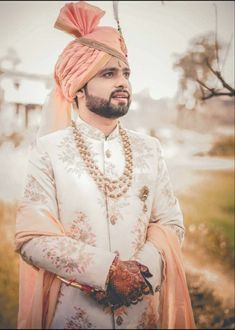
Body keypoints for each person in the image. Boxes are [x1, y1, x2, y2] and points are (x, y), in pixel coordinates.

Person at [15, 1, 196, 329]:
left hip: (143, 313)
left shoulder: (150, 150)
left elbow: (170, 223)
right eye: (109, 73)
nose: (123, 82)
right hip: (74, 315)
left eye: (126, 73)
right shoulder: (49, 151)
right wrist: (106, 272)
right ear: (78, 87)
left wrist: (138, 272)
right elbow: (31, 237)